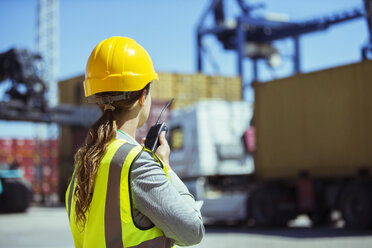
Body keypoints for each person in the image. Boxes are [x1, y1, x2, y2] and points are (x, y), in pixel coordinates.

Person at [65, 36, 204, 248]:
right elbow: (193, 231)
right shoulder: (136, 163)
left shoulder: (82, 164)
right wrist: (165, 167)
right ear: (142, 97)